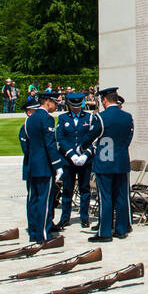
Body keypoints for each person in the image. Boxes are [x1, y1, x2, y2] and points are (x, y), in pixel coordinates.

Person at [85, 86, 134, 242]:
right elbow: (128, 139)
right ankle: (121, 229)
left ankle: (104, 232)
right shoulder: (127, 117)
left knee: (105, 197)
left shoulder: (101, 117)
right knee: (121, 196)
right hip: (121, 161)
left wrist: (81, 148)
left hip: (105, 162)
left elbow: (91, 136)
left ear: (104, 100)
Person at [21, 94, 64, 243]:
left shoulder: (30, 119)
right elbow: (50, 144)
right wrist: (58, 165)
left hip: (32, 165)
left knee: (33, 199)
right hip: (45, 166)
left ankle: (33, 231)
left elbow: (26, 144)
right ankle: (43, 234)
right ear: (47, 102)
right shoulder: (46, 118)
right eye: (54, 102)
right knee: (45, 201)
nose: (56, 105)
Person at [55, 90, 96, 230]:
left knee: (85, 189)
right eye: (74, 106)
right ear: (69, 105)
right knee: (67, 189)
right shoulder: (63, 118)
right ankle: (65, 217)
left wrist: (86, 154)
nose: (77, 108)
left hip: (84, 160)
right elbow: (60, 138)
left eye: (79, 105)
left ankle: (85, 217)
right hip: (68, 160)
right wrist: (71, 154)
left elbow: (93, 137)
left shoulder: (89, 117)